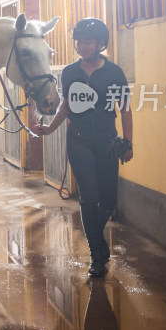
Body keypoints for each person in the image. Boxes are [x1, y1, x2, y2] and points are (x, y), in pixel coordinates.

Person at [33, 17, 133, 277]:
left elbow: (125, 109)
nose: (82, 46)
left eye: (87, 41)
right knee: (89, 197)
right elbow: (66, 105)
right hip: (78, 139)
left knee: (107, 200)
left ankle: (96, 242)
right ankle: (97, 255)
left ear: (100, 43)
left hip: (106, 140)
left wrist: (128, 143)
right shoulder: (69, 72)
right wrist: (50, 128)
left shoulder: (114, 73)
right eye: (78, 42)